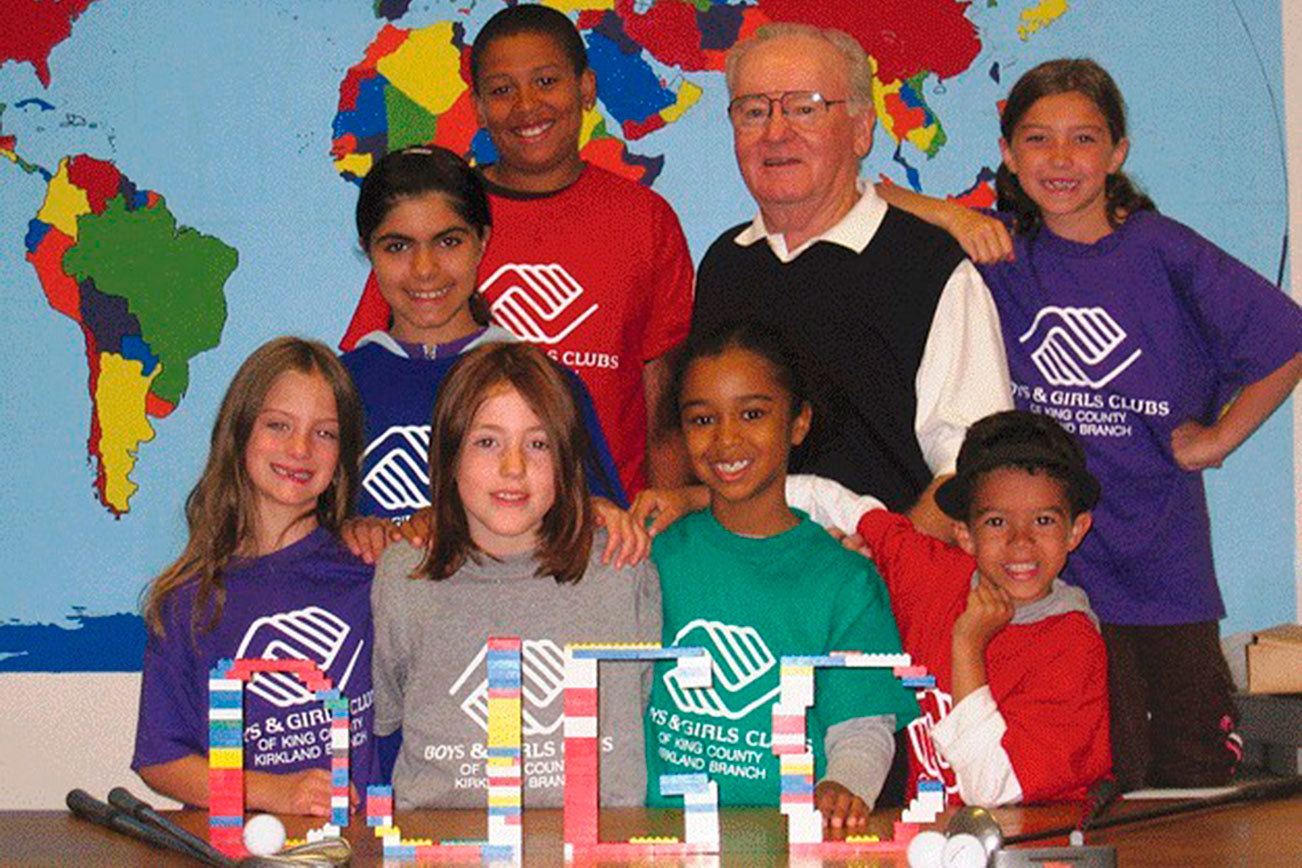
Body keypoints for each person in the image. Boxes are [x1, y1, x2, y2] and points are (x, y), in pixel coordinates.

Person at [878, 58, 1302, 790]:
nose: (1062, 160)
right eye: (1038, 140)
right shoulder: (1004, 252)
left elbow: (1286, 336)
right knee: (1092, 777)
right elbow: (874, 196)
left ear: (1118, 152)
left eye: (1084, 139)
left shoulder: (1161, 249)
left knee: (1188, 776)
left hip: (1162, 568)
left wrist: (1220, 437)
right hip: (1050, 574)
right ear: (1008, 154)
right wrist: (952, 214)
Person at [341, 4, 695, 496]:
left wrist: (659, 531)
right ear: (480, 107)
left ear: (586, 88)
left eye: (546, 81)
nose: (527, 105)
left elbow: (666, 411)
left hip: (603, 524)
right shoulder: (444, 220)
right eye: (502, 90)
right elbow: (371, 372)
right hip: (466, 522)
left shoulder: (645, 219)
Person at [688, 22, 1011, 541]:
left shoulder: (930, 268)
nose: (775, 132)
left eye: (805, 107)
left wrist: (875, 567)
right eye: (753, 111)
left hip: (886, 598)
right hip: (743, 594)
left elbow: (976, 468)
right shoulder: (725, 264)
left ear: (863, 129)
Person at [642, 323, 918, 838]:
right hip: (663, 838)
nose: (726, 439)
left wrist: (846, 785)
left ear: (798, 421)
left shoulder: (846, 579)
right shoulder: (651, 554)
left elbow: (863, 724)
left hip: (792, 841)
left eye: (752, 414)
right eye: (702, 419)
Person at [370, 341, 661, 809]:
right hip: (441, 850)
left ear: (567, 461)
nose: (513, 467)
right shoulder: (404, 574)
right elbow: (386, 720)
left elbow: (641, 699)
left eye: (538, 444)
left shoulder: (621, 567)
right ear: (448, 455)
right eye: (487, 441)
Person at [786, 412, 1110, 807]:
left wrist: (968, 645)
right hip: (935, 843)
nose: (1020, 542)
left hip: (1034, 847)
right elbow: (833, 502)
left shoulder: (1073, 645)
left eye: (1043, 520)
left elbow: (990, 791)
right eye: (996, 522)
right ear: (964, 534)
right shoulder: (931, 575)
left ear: (1075, 530)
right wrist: (697, 498)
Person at [132, 337, 375, 815]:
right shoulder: (188, 599)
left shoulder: (368, 574)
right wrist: (273, 792)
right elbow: (161, 761)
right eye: (278, 425)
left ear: (344, 452)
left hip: (356, 847)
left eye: (324, 433)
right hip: (234, 847)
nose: (300, 448)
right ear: (239, 431)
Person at [339, 145, 624, 523]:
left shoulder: (544, 385)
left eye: (449, 242)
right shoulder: (336, 389)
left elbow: (601, 532)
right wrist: (344, 532)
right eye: (398, 246)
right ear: (368, 251)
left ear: (483, 241)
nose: (425, 269)